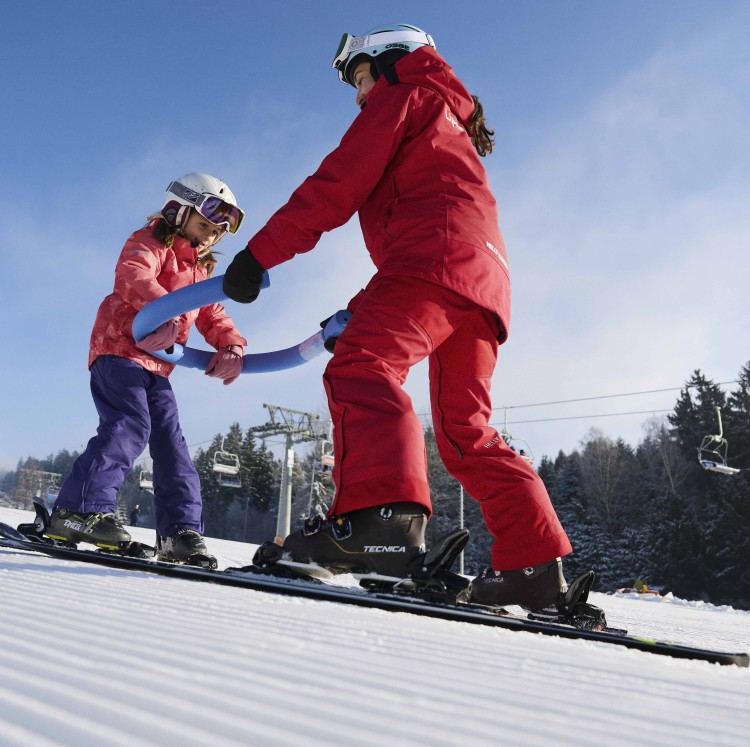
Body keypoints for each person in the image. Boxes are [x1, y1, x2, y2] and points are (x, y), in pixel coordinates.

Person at [223, 25, 572, 610]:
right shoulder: (446, 116)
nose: (359, 95)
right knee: (465, 432)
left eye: (359, 77)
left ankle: (377, 524)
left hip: (432, 264)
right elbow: (432, 226)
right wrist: (356, 311)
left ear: (388, 61)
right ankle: (533, 564)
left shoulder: (404, 94)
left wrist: (258, 255)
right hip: (481, 286)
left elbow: (335, 186)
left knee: (362, 368)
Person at [46, 173, 248, 563]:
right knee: (129, 424)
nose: (209, 235)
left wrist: (232, 345)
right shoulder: (150, 242)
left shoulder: (199, 271)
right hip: (119, 350)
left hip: (159, 366)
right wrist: (162, 313)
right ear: (179, 210)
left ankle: (179, 532)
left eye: (217, 231)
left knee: (173, 445)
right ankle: (79, 511)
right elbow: (133, 276)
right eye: (204, 224)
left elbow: (212, 313)